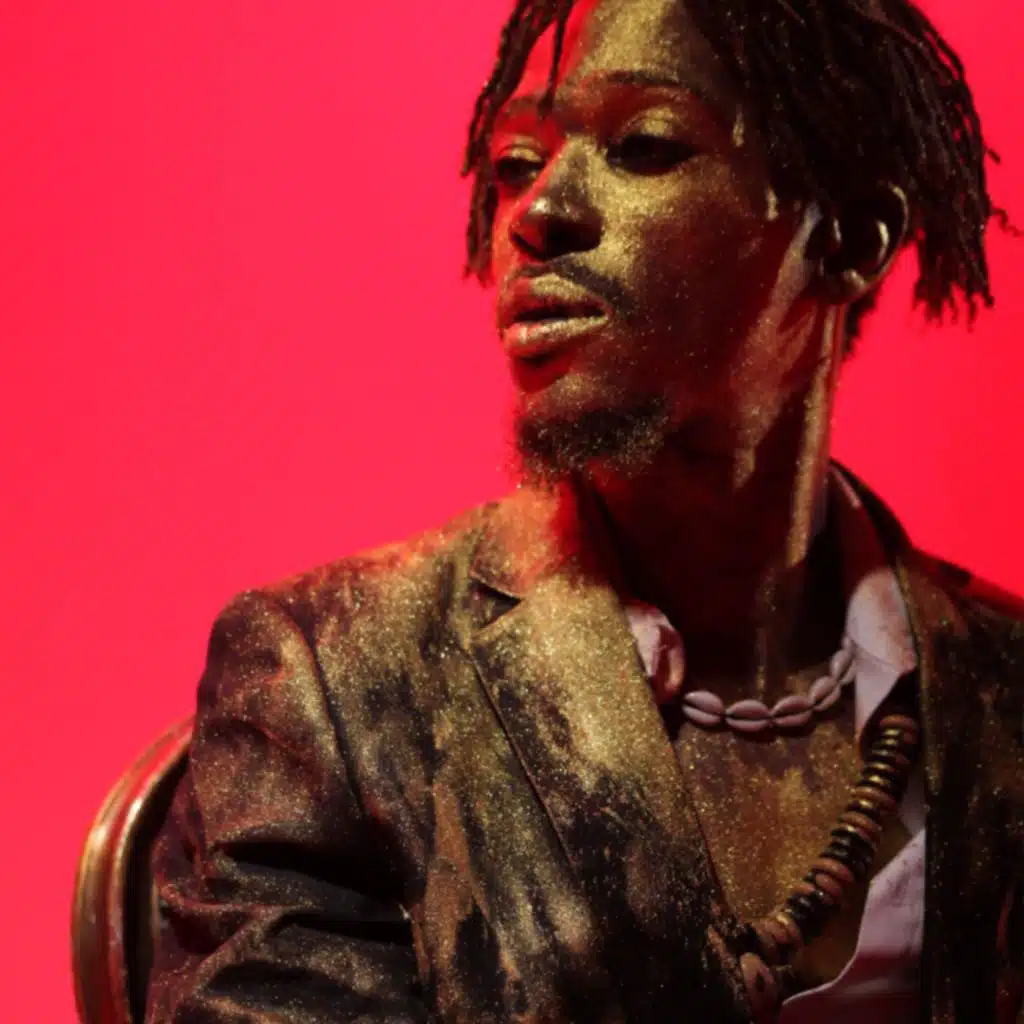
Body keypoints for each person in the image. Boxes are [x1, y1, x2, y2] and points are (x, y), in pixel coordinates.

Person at [145, 0, 1023, 1020]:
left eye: (644, 143)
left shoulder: (1000, 687)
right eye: (515, 163)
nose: (539, 210)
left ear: (851, 239)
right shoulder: (329, 682)